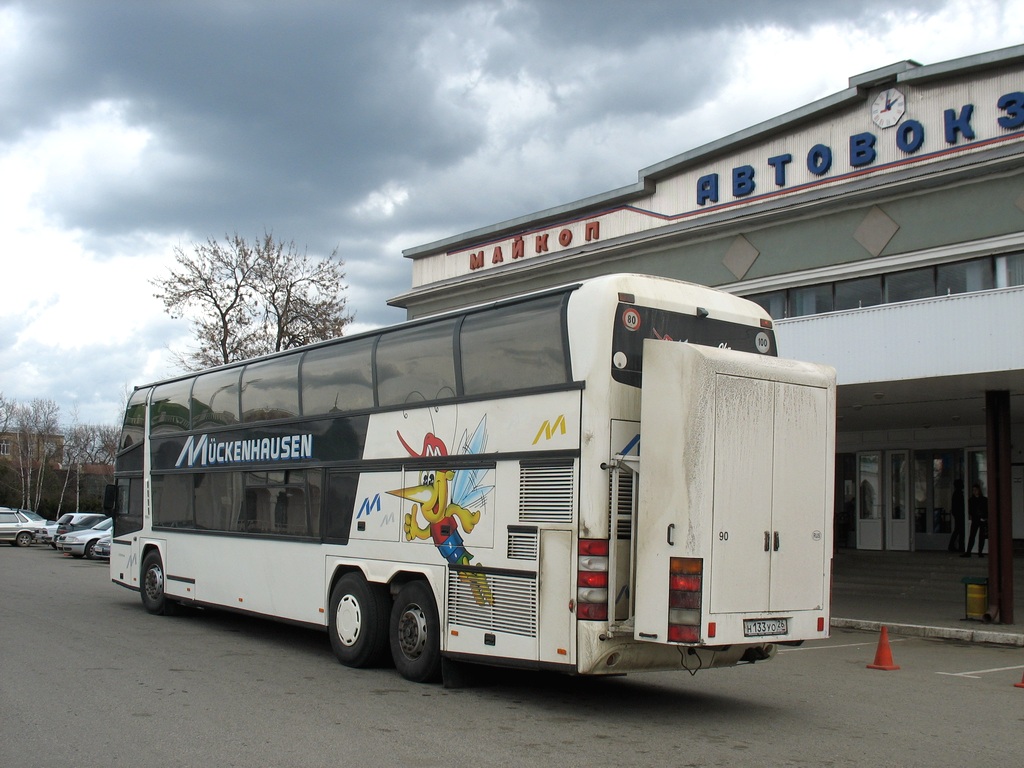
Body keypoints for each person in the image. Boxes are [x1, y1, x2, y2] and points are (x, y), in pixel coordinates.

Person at [962, 483, 988, 557]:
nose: (974, 491)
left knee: (981, 536)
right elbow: (971, 511)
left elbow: (986, 510)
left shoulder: (984, 500)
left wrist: (984, 516)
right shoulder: (972, 500)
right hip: (976, 519)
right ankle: (969, 552)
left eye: (976, 490)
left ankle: (980, 552)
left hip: (982, 519)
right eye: (973, 490)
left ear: (979, 490)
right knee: (972, 536)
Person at [947, 479, 965, 554]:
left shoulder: (956, 493)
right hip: (959, 514)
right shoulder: (958, 494)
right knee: (960, 530)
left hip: (957, 514)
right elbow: (959, 505)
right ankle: (959, 546)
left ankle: (954, 545)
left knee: (958, 530)